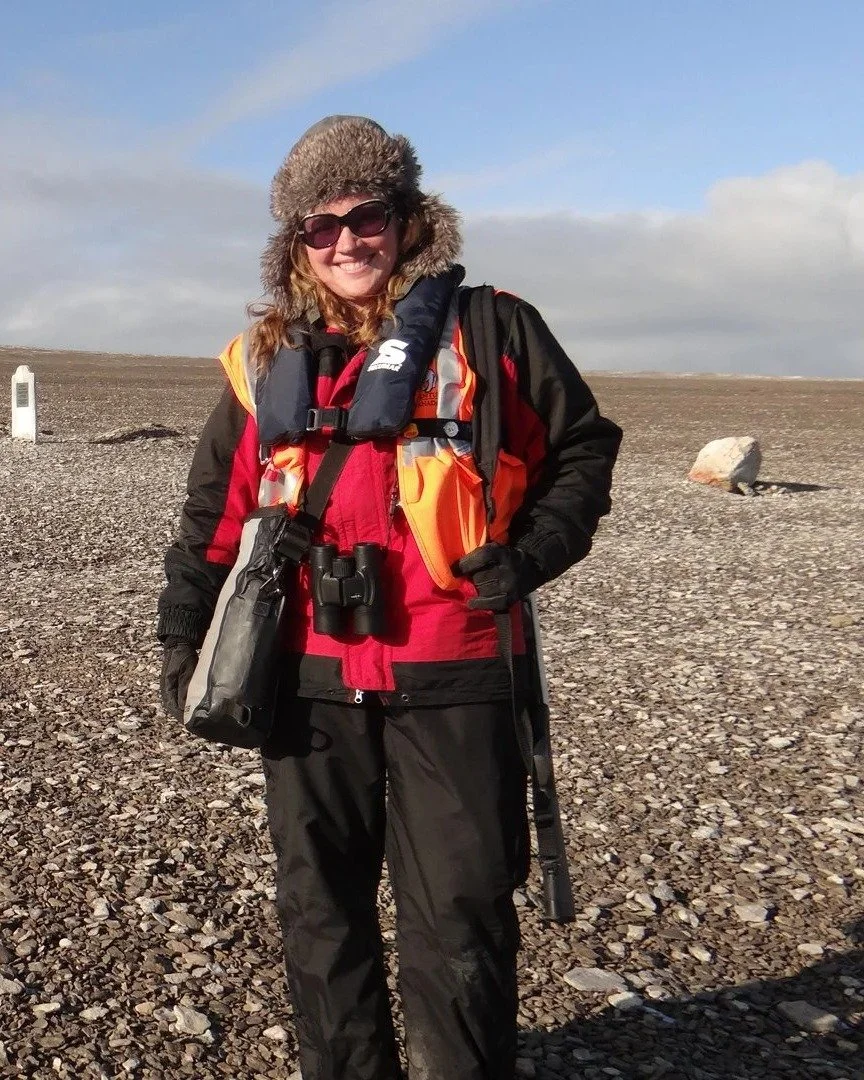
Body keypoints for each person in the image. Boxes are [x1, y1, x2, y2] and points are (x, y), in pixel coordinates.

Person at [157, 115, 622, 1080]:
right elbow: (216, 516)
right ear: (295, 244)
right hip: (305, 683)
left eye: (364, 216)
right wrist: (182, 639)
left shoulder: (493, 329)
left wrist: (535, 550)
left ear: (408, 221)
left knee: (461, 922)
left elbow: (583, 446)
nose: (345, 243)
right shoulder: (264, 363)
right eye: (317, 228)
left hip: (456, 674)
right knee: (320, 922)